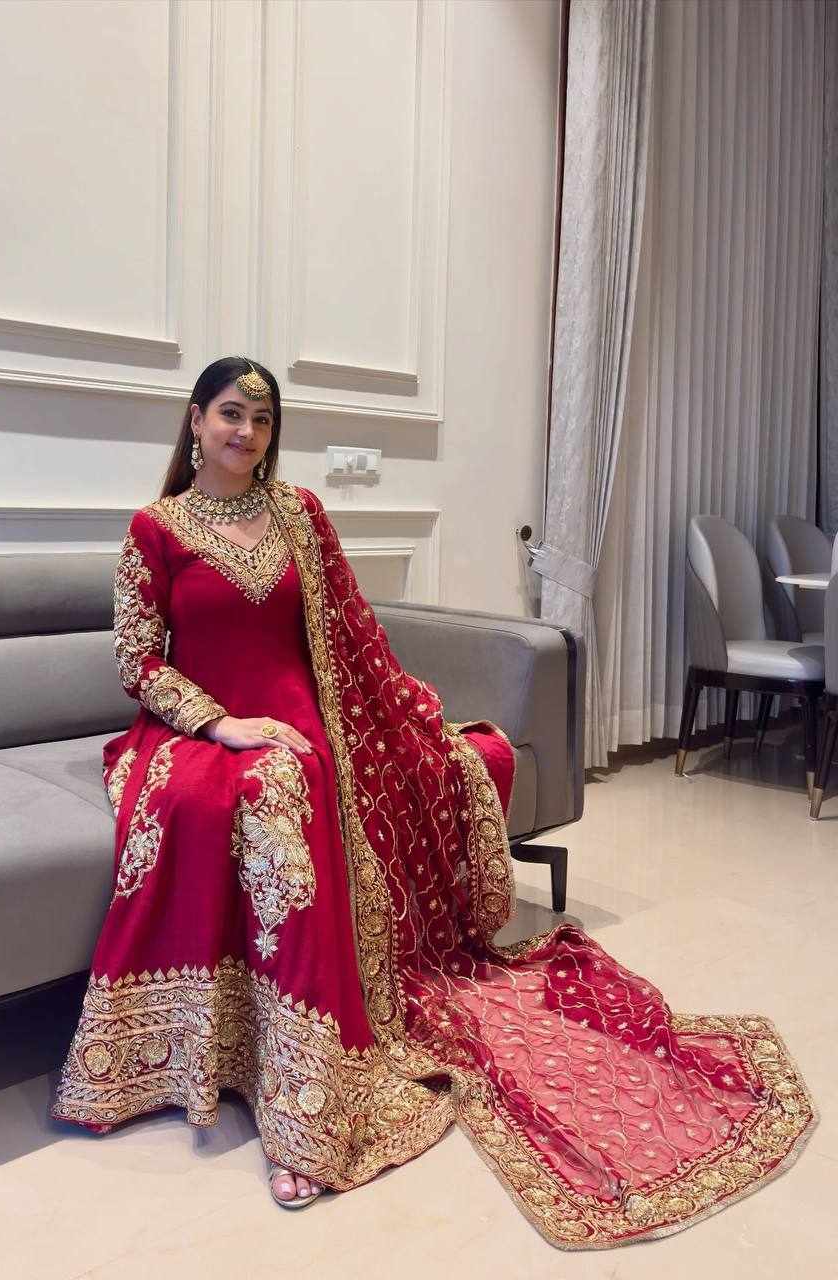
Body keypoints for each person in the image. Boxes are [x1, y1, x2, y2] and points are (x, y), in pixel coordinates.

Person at [52, 356, 815, 1244]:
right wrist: (220, 725)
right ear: (195, 420)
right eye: (230, 414)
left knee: (290, 781)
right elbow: (139, 660)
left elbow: (352, 633)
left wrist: (403, 718)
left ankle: (303, 1102)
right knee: (262, 788)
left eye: (262, 420)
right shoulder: (156, 528)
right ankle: (222, 1062)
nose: (246, 433)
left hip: (307, 719)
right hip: (200, 727)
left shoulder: (300, 514)